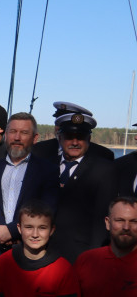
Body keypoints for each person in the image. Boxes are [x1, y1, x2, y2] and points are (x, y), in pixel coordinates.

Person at [0, 112, 57, 264]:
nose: (17, 138)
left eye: (24, 133)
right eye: (13, 132)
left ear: (35, 138)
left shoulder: (48, 171)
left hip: (28, 252)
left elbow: (48, 209)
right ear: (5, 136)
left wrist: (12, 231)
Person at [49, 111, 115, 262]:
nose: (75, 142)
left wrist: (93, 258)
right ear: (59, 138)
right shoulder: (45, 165)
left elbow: (101, 221)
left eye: (81, 137)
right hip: (44, 251)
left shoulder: (103, 170)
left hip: (80, 255)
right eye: (69, 137)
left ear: (89, 139)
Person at [32, 101, 115, 163]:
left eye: (63, 124)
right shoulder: (38, 150)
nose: (58, 128)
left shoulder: (103, 155)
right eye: (57, 122)